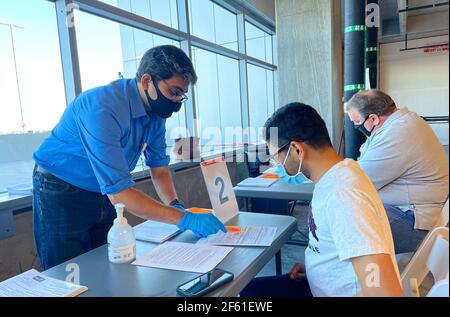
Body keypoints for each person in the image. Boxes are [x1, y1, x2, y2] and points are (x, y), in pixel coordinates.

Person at [33, 45, 226, 270]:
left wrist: (177, 206)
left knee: (104, 265)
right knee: (67, 272)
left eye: (181, 96)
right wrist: (184, 220)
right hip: (61, 189)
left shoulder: (155, 115)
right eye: (173, 92)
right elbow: (120, 192)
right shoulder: (103, 108)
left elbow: (160, 170)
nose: (175, 102)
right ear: (147, 81)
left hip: (103, 189)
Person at [241, 102, 403, 297]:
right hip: (316, 284)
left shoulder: (343, 196)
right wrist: (317, 269)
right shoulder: (337, 175)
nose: (276, 165)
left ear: (296, 150)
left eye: (276, 157)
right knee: (246, 292)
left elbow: (383, 292)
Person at [345, 90, 449, 253]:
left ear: (373, 118)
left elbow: (358, 181)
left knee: (345, 228)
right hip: (407, 210)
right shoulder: (399, 123)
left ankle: (333, 276)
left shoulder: (398, 132)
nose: (356, 127)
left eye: (357, 122)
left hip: (414, 220)